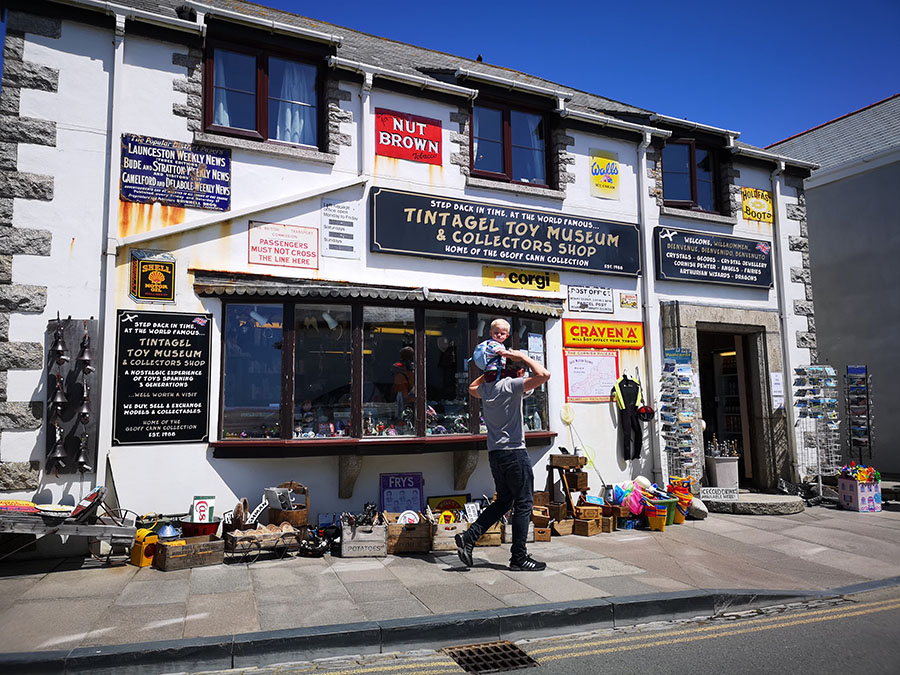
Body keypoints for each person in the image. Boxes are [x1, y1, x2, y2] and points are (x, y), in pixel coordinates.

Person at [455, 347, 551, 571]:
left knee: (503, 501)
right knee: (524, 504)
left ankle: (470, 536)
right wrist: (523, 358)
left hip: (495, 454)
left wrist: (490, 371)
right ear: (517, 372)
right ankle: (519, 557)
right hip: (515, 452)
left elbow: (471, 388)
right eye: (521, 371)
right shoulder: (512, 385)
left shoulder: (487, 389)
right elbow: (544, 375)